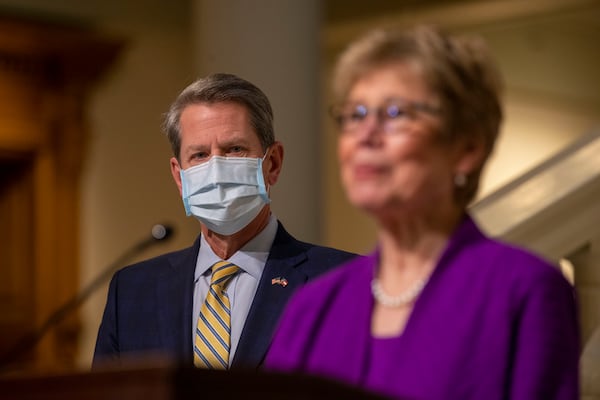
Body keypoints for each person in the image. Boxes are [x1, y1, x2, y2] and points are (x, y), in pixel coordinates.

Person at [265, 25, 580, 399]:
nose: (365, 135)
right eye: (355, 114)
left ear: (466, 148)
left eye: (395, 113)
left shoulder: (524, 291)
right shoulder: (312, 309)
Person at [92, 73, 356, 370]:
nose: (215, 168)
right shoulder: (132, 291)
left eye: (234, 149)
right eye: (200, 154)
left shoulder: (346, 282)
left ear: (273, 164)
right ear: (179, 176)